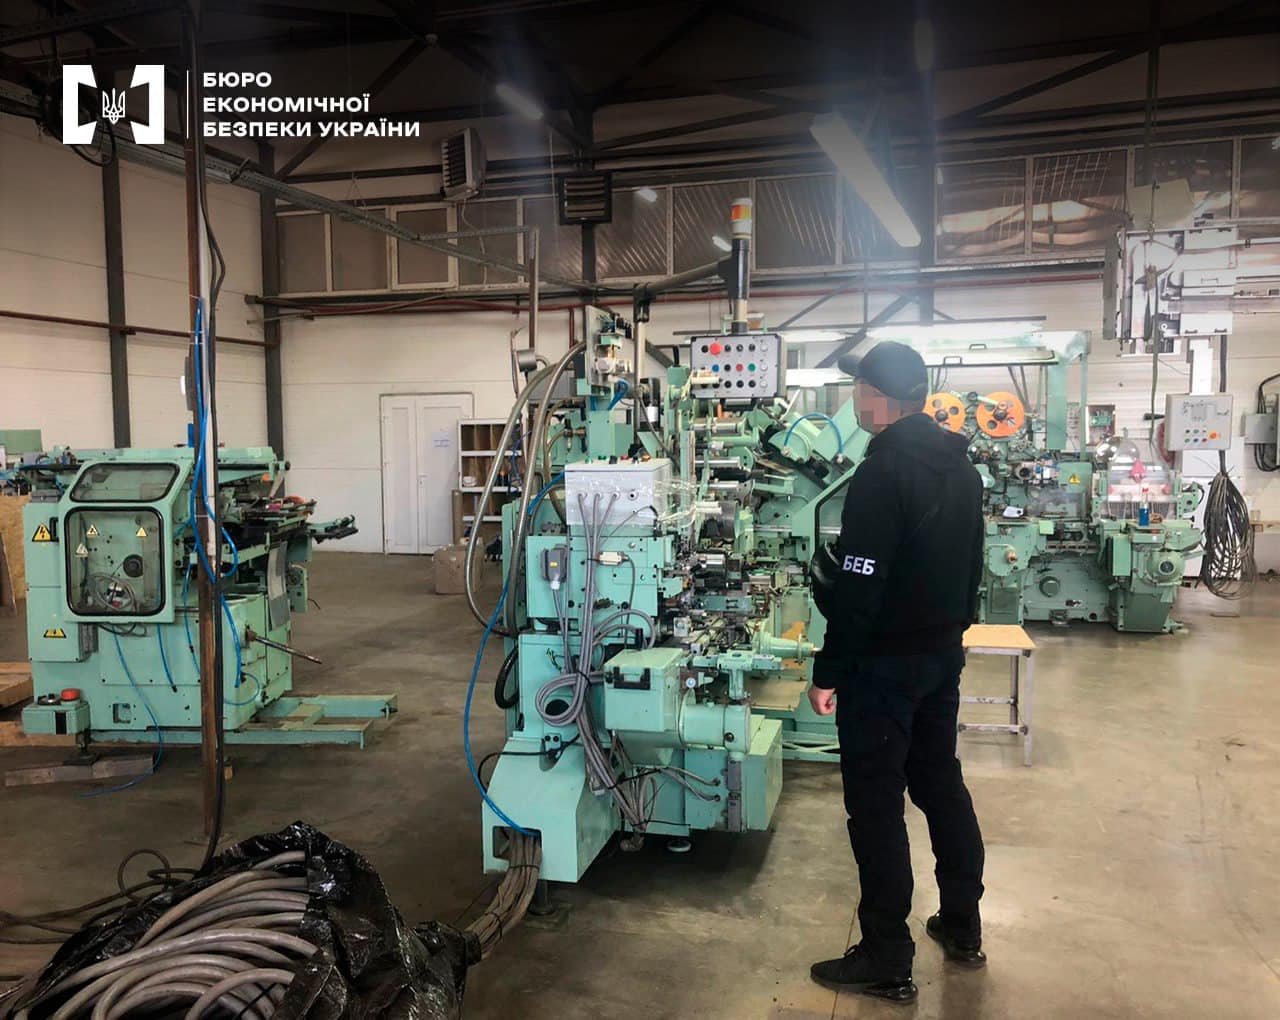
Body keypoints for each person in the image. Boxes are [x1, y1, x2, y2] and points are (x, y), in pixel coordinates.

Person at [806, 341, 987, 1005]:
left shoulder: (882, 474)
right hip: (941, 656)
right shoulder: (961, 468)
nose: (855, 401)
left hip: (883, 667)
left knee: (876, 806)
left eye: (858, 390)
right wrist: (947, 637)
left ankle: (886, 955)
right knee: (940, 784)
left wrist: (829, 671)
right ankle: (962, 922)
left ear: (878, 399)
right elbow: (972, 568)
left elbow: (860, 590)